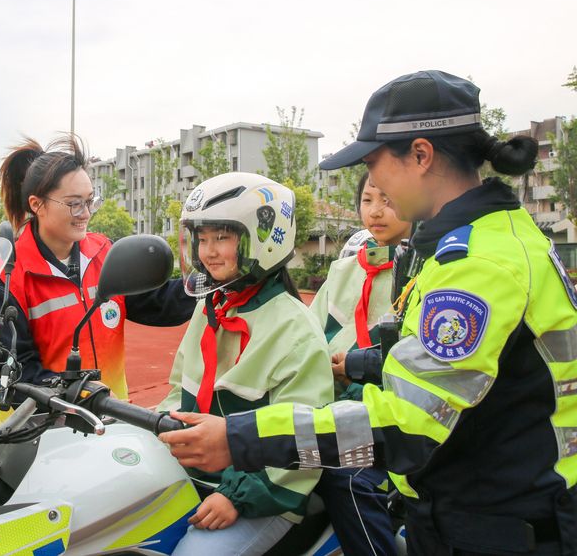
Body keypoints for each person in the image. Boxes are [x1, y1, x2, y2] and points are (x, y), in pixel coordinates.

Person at [159, 70, 577, 555]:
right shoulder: (481, 241)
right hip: (486, 502)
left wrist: (240, 438)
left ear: (420, 155)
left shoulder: (477, 265)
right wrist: (360, 362)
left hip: (499, 524)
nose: (372, 185)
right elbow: (471, 369)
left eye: (374, 164)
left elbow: (407, 424)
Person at [159, 173, 334, 555]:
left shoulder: (295, 330)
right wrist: (155, 428)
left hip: (264, 491)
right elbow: (178, 390)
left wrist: (237, 497)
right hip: (197, 471)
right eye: (202, 239)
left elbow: (304, 440)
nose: (208, 251)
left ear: (264, 239)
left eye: (222, 237)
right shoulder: (211, 308)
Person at [0, 134, 196, 400]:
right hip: (39, 423)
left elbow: (156, 303)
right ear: (37, 205)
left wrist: (210, 282)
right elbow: (15, 371)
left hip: (109, 418)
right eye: (74, 204)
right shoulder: (7, 276)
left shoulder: (103, 252)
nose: (86, 213)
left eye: (90, 200)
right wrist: (84, 394)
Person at [310, 173, 413, 556]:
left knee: (348, 480)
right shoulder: (344, 271)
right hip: (328, 406)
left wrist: (351, 371)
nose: (375, 211)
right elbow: (309, 334)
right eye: (368, 200)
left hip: (389, 421)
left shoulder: (425, 270)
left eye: (387, 200)